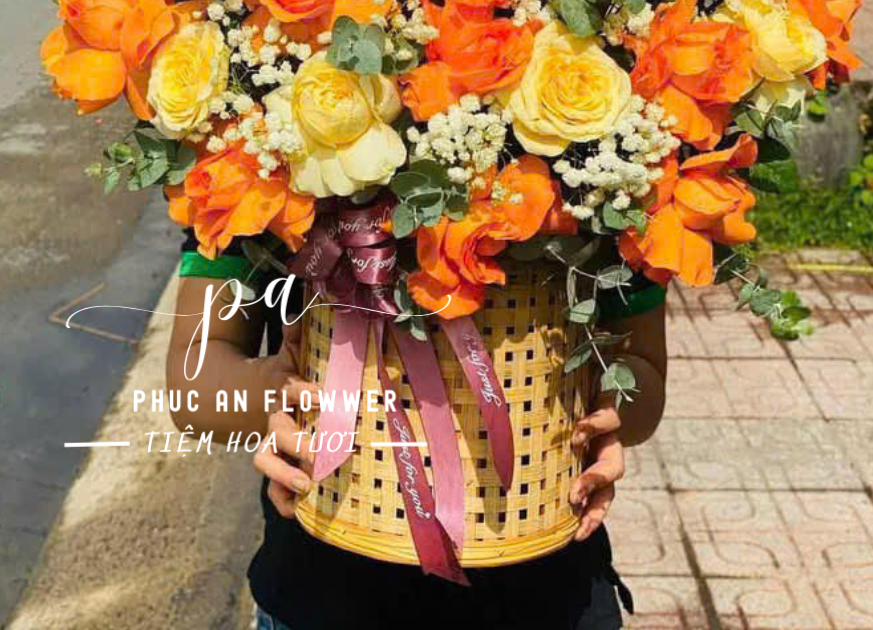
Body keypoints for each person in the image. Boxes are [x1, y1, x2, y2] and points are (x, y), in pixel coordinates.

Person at [166, 229, 667, 630]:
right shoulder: (256, 163)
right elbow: (193, 381)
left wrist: (605, 407)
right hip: (325, 590)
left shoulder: (613, 168)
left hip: (550, 590)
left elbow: (644, 374)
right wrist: (276, 394)